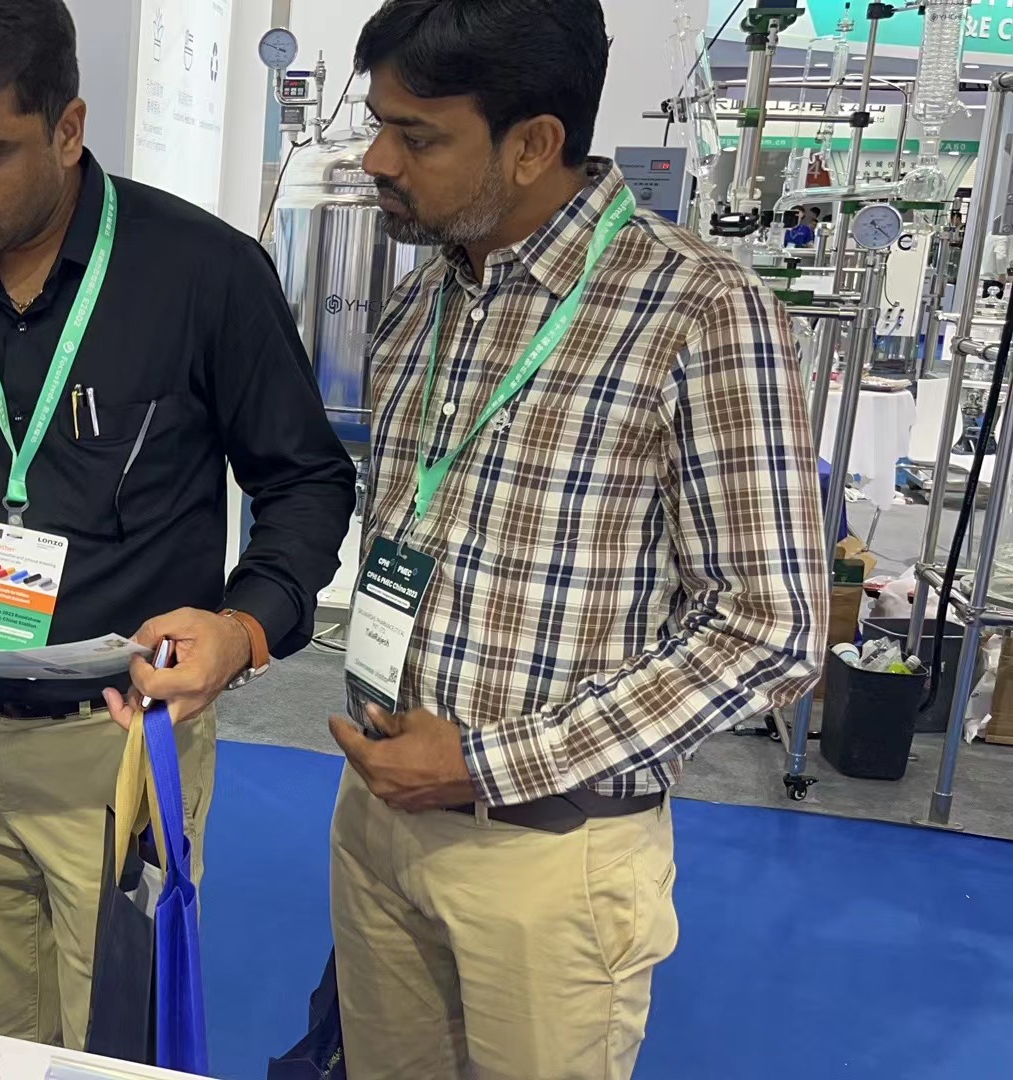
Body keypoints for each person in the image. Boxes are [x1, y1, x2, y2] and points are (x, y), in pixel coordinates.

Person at [328, 2, 826, 1078]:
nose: (378, 162)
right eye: (379, 125)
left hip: (550, 855)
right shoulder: (423, 305)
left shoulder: (698, 309)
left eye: (417, 136)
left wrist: (487, 762)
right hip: (377, 819)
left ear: (533, 144)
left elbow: (769, 627)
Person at [0, 0, 356, 1049]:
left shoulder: (202, 274)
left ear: (68, 129)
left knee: (121, 1042)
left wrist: (245, 629)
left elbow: (306, 480)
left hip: (124, 738)